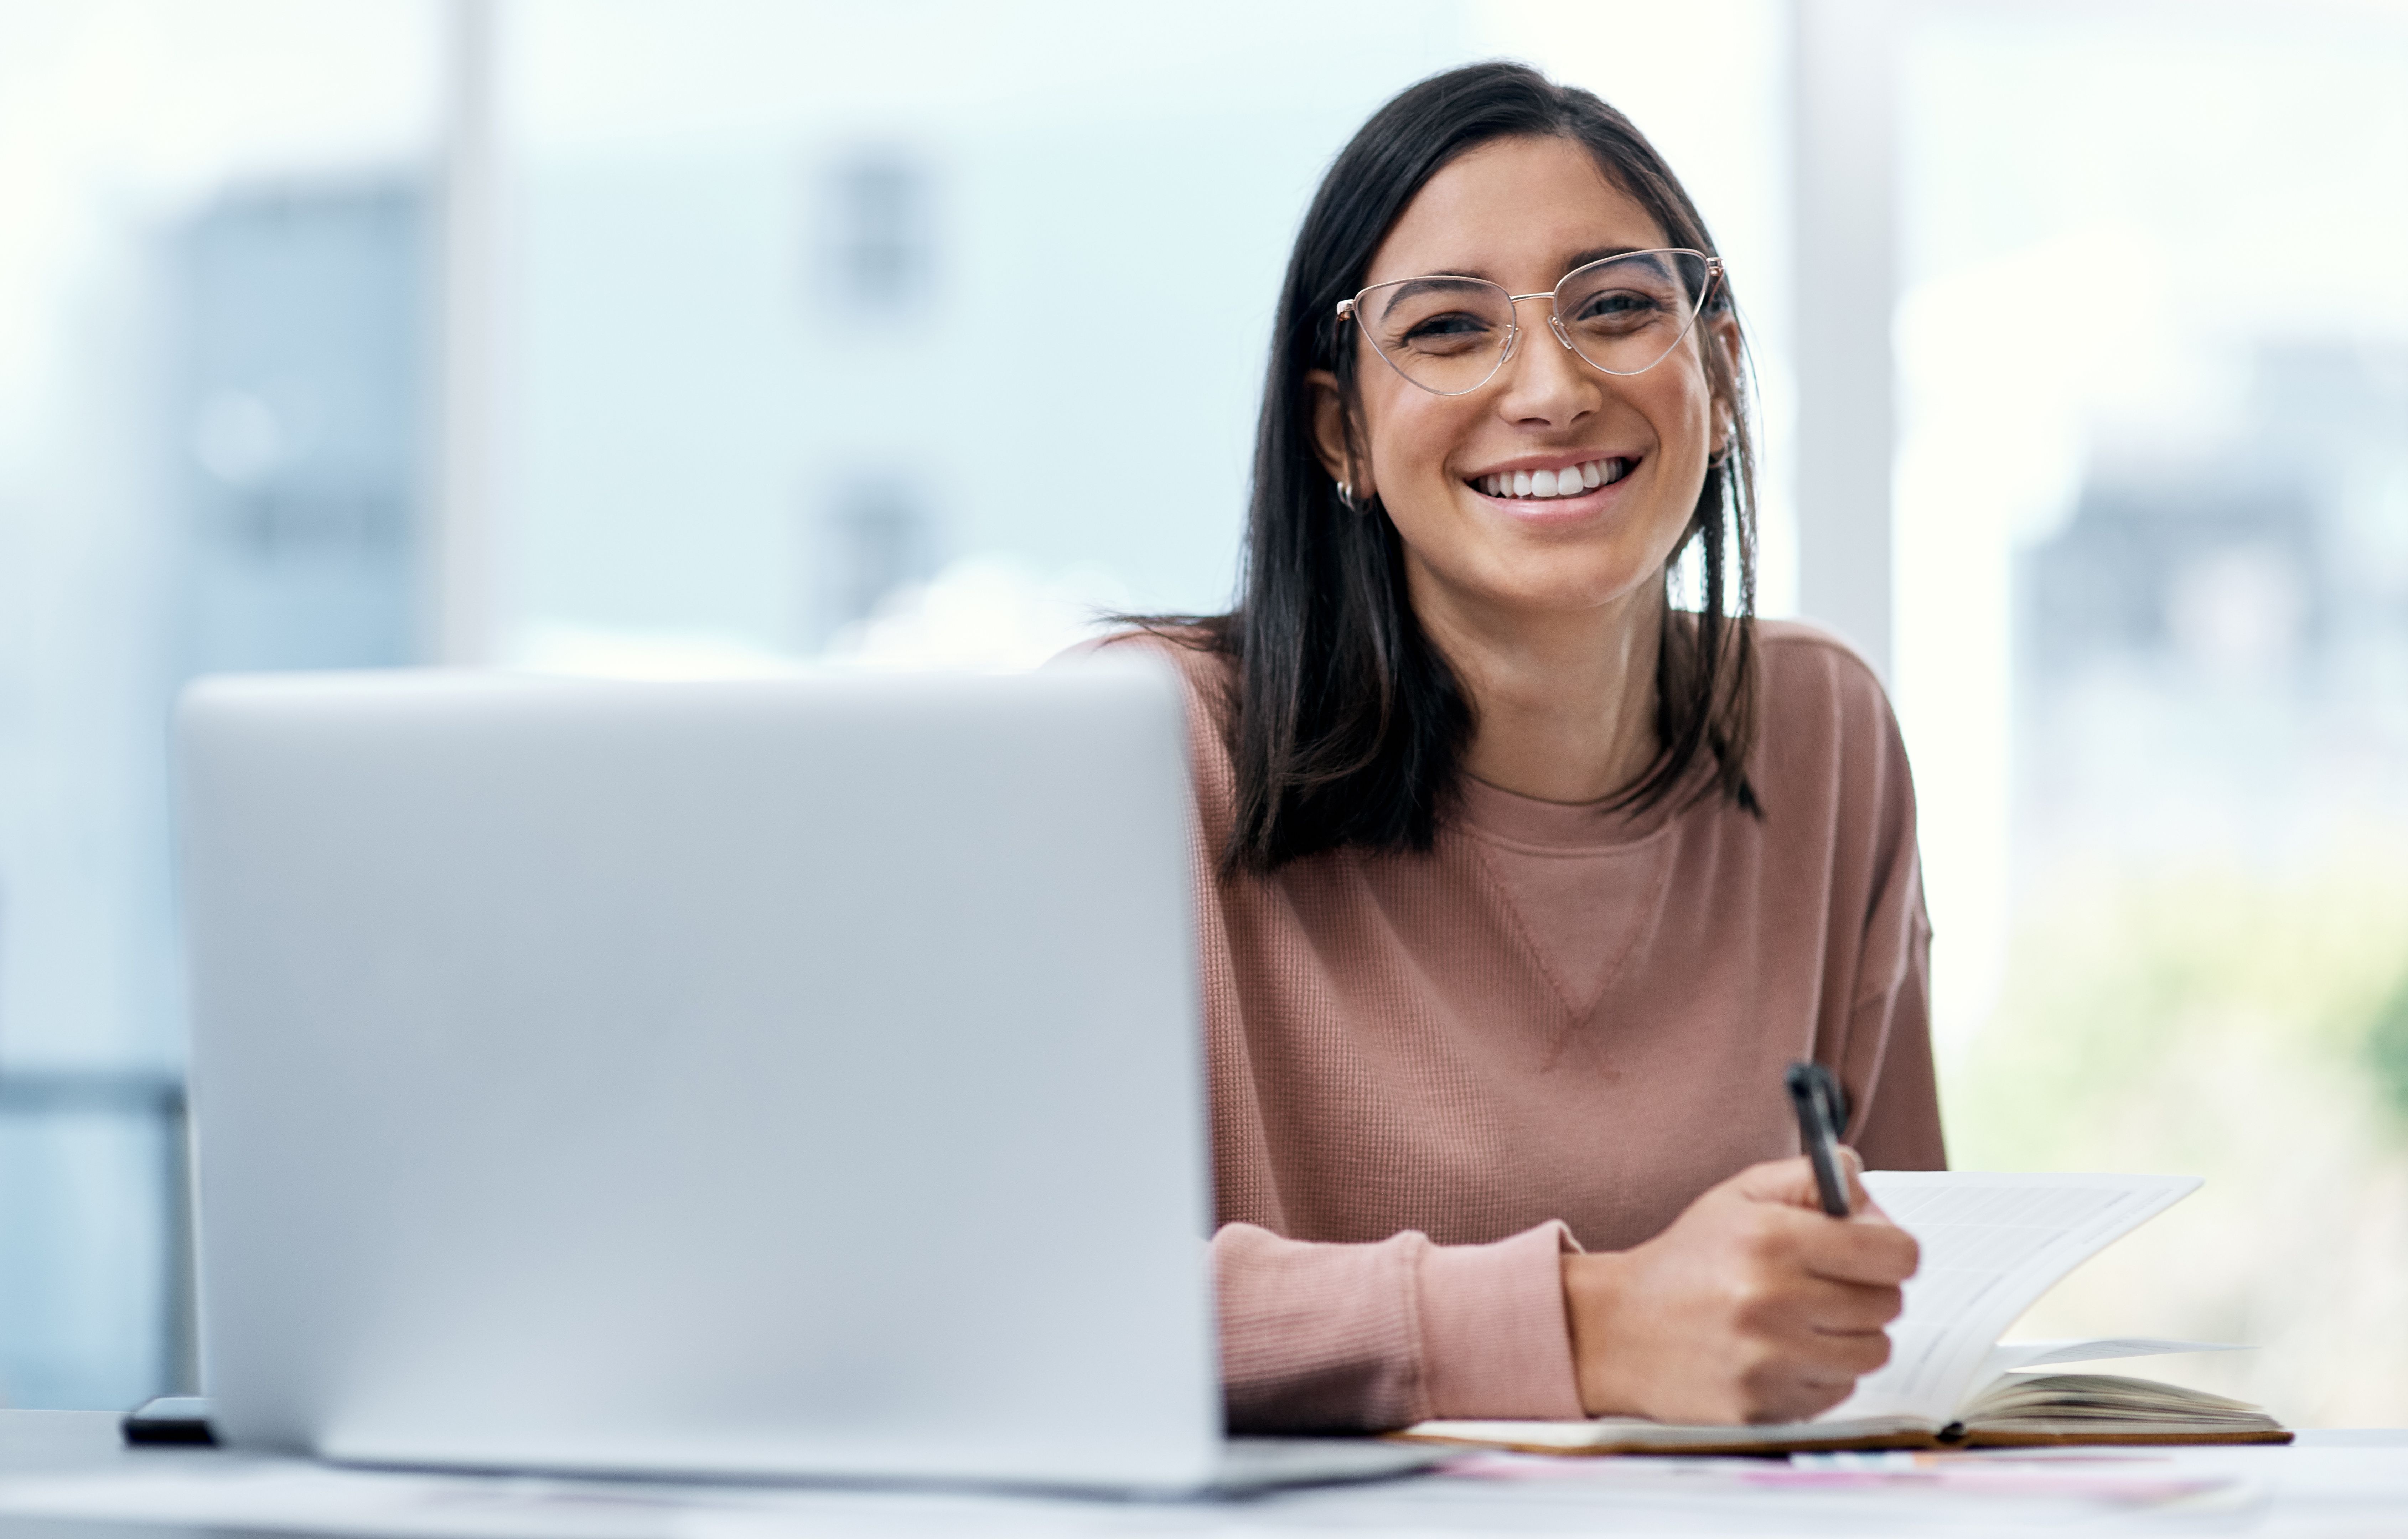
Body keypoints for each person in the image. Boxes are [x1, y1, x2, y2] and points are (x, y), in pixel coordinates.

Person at [1099, 61, 1941, 1434]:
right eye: (1445, 330)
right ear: (1340, 431)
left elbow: (1904, 1318)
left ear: (1719, 375)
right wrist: (1586, 1328)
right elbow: (1003, 1306)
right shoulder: (1138, 752)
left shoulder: (1822, 732)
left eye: (1617, 308)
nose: (1549, 388)